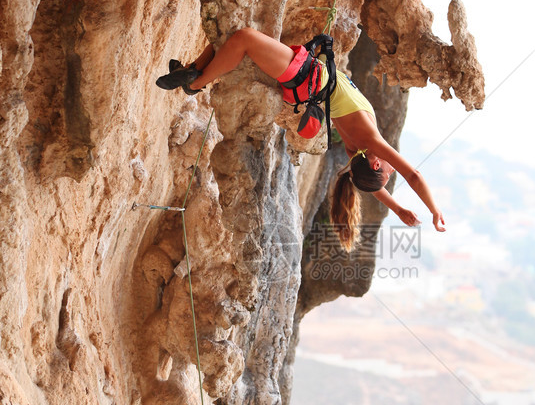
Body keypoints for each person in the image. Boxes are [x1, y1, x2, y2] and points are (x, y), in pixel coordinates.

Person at [156, 28, 446, 250]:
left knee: (243, 37)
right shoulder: (356, 149)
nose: (392, 168)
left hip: (305, 75)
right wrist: (398, 209)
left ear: (374, 165)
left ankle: (194, 83)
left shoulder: (370, 142)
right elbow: (367, 184)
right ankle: (190, 69)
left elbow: (414, 175)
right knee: (237, 30)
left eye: (387, 171)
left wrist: (434, 212)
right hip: (310, 73)